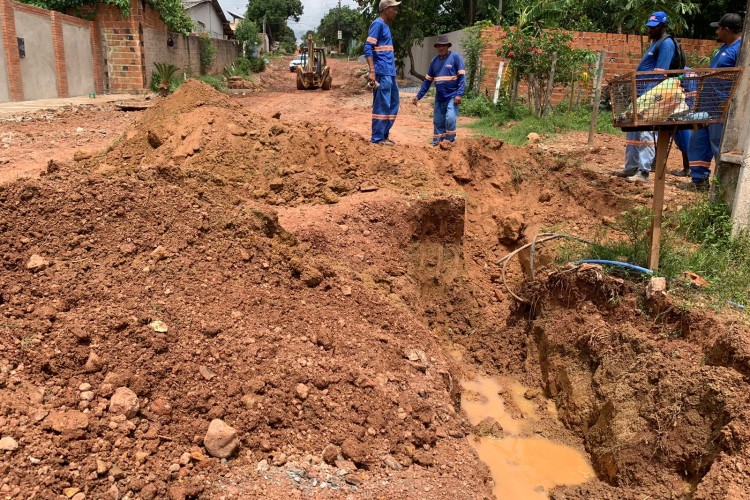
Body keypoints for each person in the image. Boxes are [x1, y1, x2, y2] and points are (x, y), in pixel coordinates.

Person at [613, 11, 677, 183]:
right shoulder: (655, 42)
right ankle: (631, 167)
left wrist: (647, 98)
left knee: (647, 132)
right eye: (649, 27)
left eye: (653, 27)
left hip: (650, 95)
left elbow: (660, 74)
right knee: (633, 130)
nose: (649, 30)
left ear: (662, 26)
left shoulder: (666, 44)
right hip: (641, 93)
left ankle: (644, 171)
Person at [685, 13, 743, 190]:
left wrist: (730, 102)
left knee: (718, 144)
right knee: (698, 142)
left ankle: (723, 187)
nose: (716, 32)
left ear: (726, 29)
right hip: (707, 105)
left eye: (718, 28)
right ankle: (699, 181)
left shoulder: (741, 49)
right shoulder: (723, 48)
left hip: (721, 106)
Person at [411, 35, 466, 145]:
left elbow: (462, 77)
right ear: (436, 47)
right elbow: (427, 81)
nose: (441, 48)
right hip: (439, 99)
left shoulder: (455, 58)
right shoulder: (434, 61)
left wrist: (459, 94)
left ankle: (449, 143)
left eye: (443, 46)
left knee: (450, 119)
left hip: (452, 97)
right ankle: (437, 144)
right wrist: (418, 96)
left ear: (447, 46)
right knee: (438, 122)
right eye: (439, 46)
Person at [364, 0, 401, 146]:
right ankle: (377, 138)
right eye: (394, 9)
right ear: (386, 10)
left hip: (390, 73)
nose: (396, 12)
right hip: (381, 72)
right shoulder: (378, 24)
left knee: (393, 103)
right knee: (382, 105)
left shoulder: (386, 26)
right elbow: (368, 47)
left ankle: (384, 135)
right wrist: (372, 71)